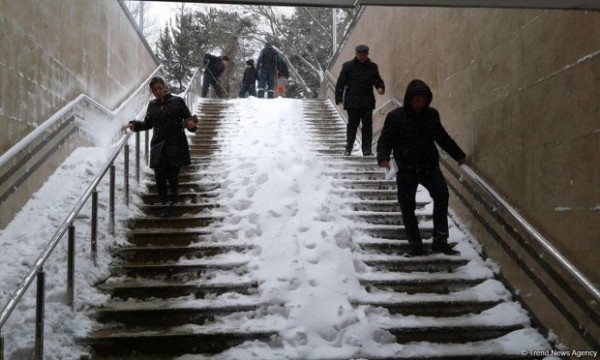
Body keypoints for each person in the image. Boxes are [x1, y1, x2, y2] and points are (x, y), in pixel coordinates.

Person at [377, 79, 468, 257]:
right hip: (406, 169)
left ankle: (440, 242)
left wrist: (458, 155)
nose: (420, 104)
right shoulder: (395, 117)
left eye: (423, 100)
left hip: (429, 167)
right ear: (410, 100)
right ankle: (415, 245)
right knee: (407, 206)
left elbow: (442, 137)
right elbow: (385, 140)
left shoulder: (432, 115)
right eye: (417, 100)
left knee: (442, 196)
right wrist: (383, 157)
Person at [128, 76, 197, 218]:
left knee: (172, 175)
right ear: (152, 92)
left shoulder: (177, 101)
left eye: (160, 88)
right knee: (159, 175)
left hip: (176, 144)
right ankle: (164, 202)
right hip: (158, 145)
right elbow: (148, 124)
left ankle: (173, 191)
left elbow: (189, 118)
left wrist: (191, 125)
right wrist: (134, 124)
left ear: (164, 87)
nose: (158, 91)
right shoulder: (152, 105)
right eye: (155, 90)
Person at [335, 44, 385, 156]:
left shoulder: (372, 67)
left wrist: (380, 87)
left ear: (367, 55)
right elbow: (341, 83)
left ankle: (367, 150)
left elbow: (377, 80)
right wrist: (339, 97)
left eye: (364, 55)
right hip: (352, 101)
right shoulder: (348, 66)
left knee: (367, 126)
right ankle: (349, 148)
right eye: (359, 55)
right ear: (356, 54)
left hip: (367, 101)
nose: (362, 57)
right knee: (352, 125)